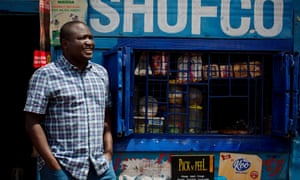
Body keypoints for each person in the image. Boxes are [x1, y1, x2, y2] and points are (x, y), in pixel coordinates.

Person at [24, 21, 116, 180]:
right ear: (65, 44)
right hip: (63, 167)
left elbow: (106, 115)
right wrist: (52, 164)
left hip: (100, 167)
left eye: (90, 38)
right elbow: (32, 121)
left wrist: (108, 152)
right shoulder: (46, 75)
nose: (89, 43)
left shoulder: (101, 74)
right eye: (82, 38)